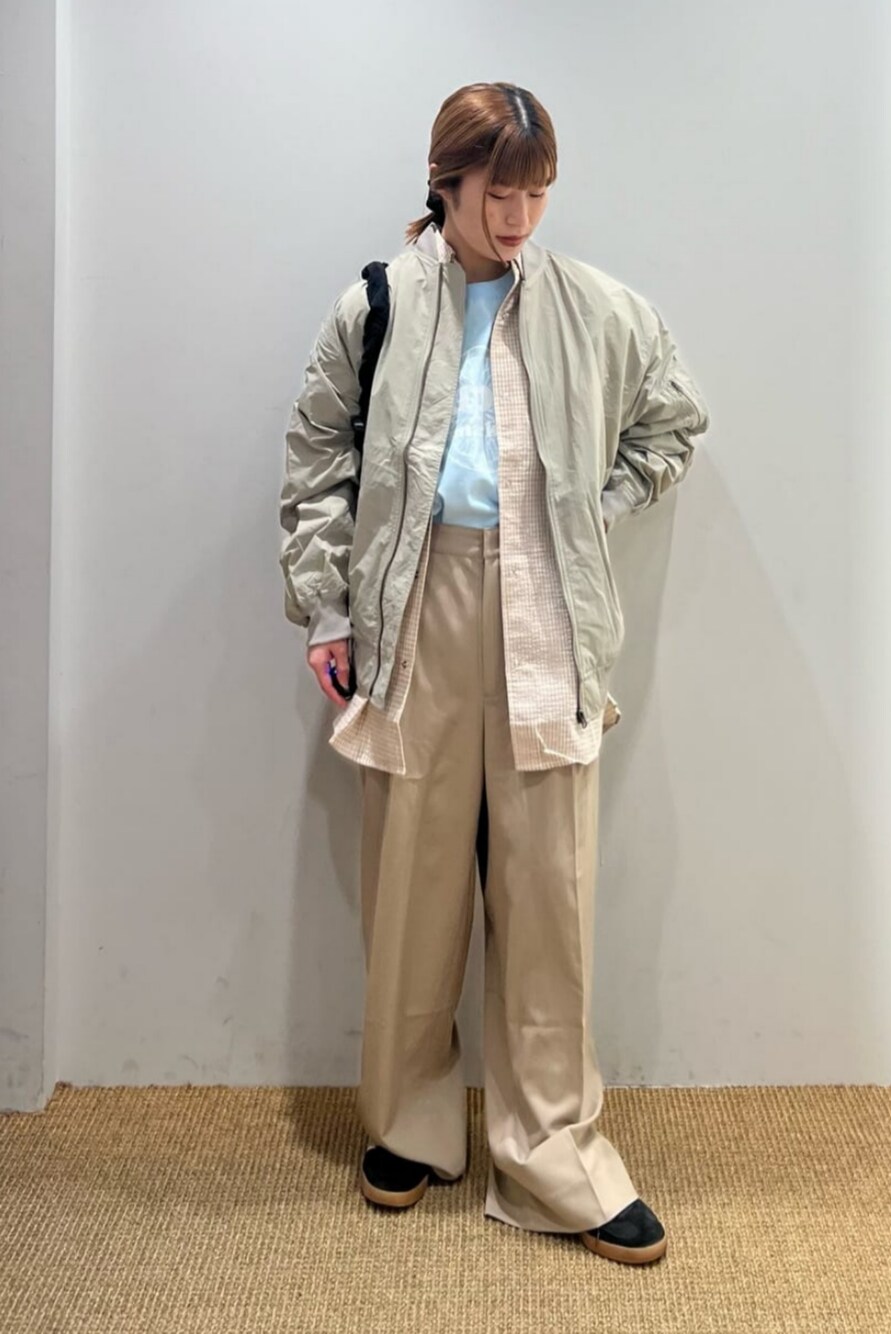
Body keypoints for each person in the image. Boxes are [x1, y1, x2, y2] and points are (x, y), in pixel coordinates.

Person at [279, 81, 710, 1266]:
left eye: (535, 193)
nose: (517, 216)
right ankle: (410, 1125)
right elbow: (316, 453)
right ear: (445, 183)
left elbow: (673, 421)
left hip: (545, 615)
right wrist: (326, 605)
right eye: (497, 192)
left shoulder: (593, 307)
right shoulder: (377, 303)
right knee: (411, 885)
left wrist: (588, 512)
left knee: (546, 891)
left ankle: (554, 1149)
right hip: (414, 608)